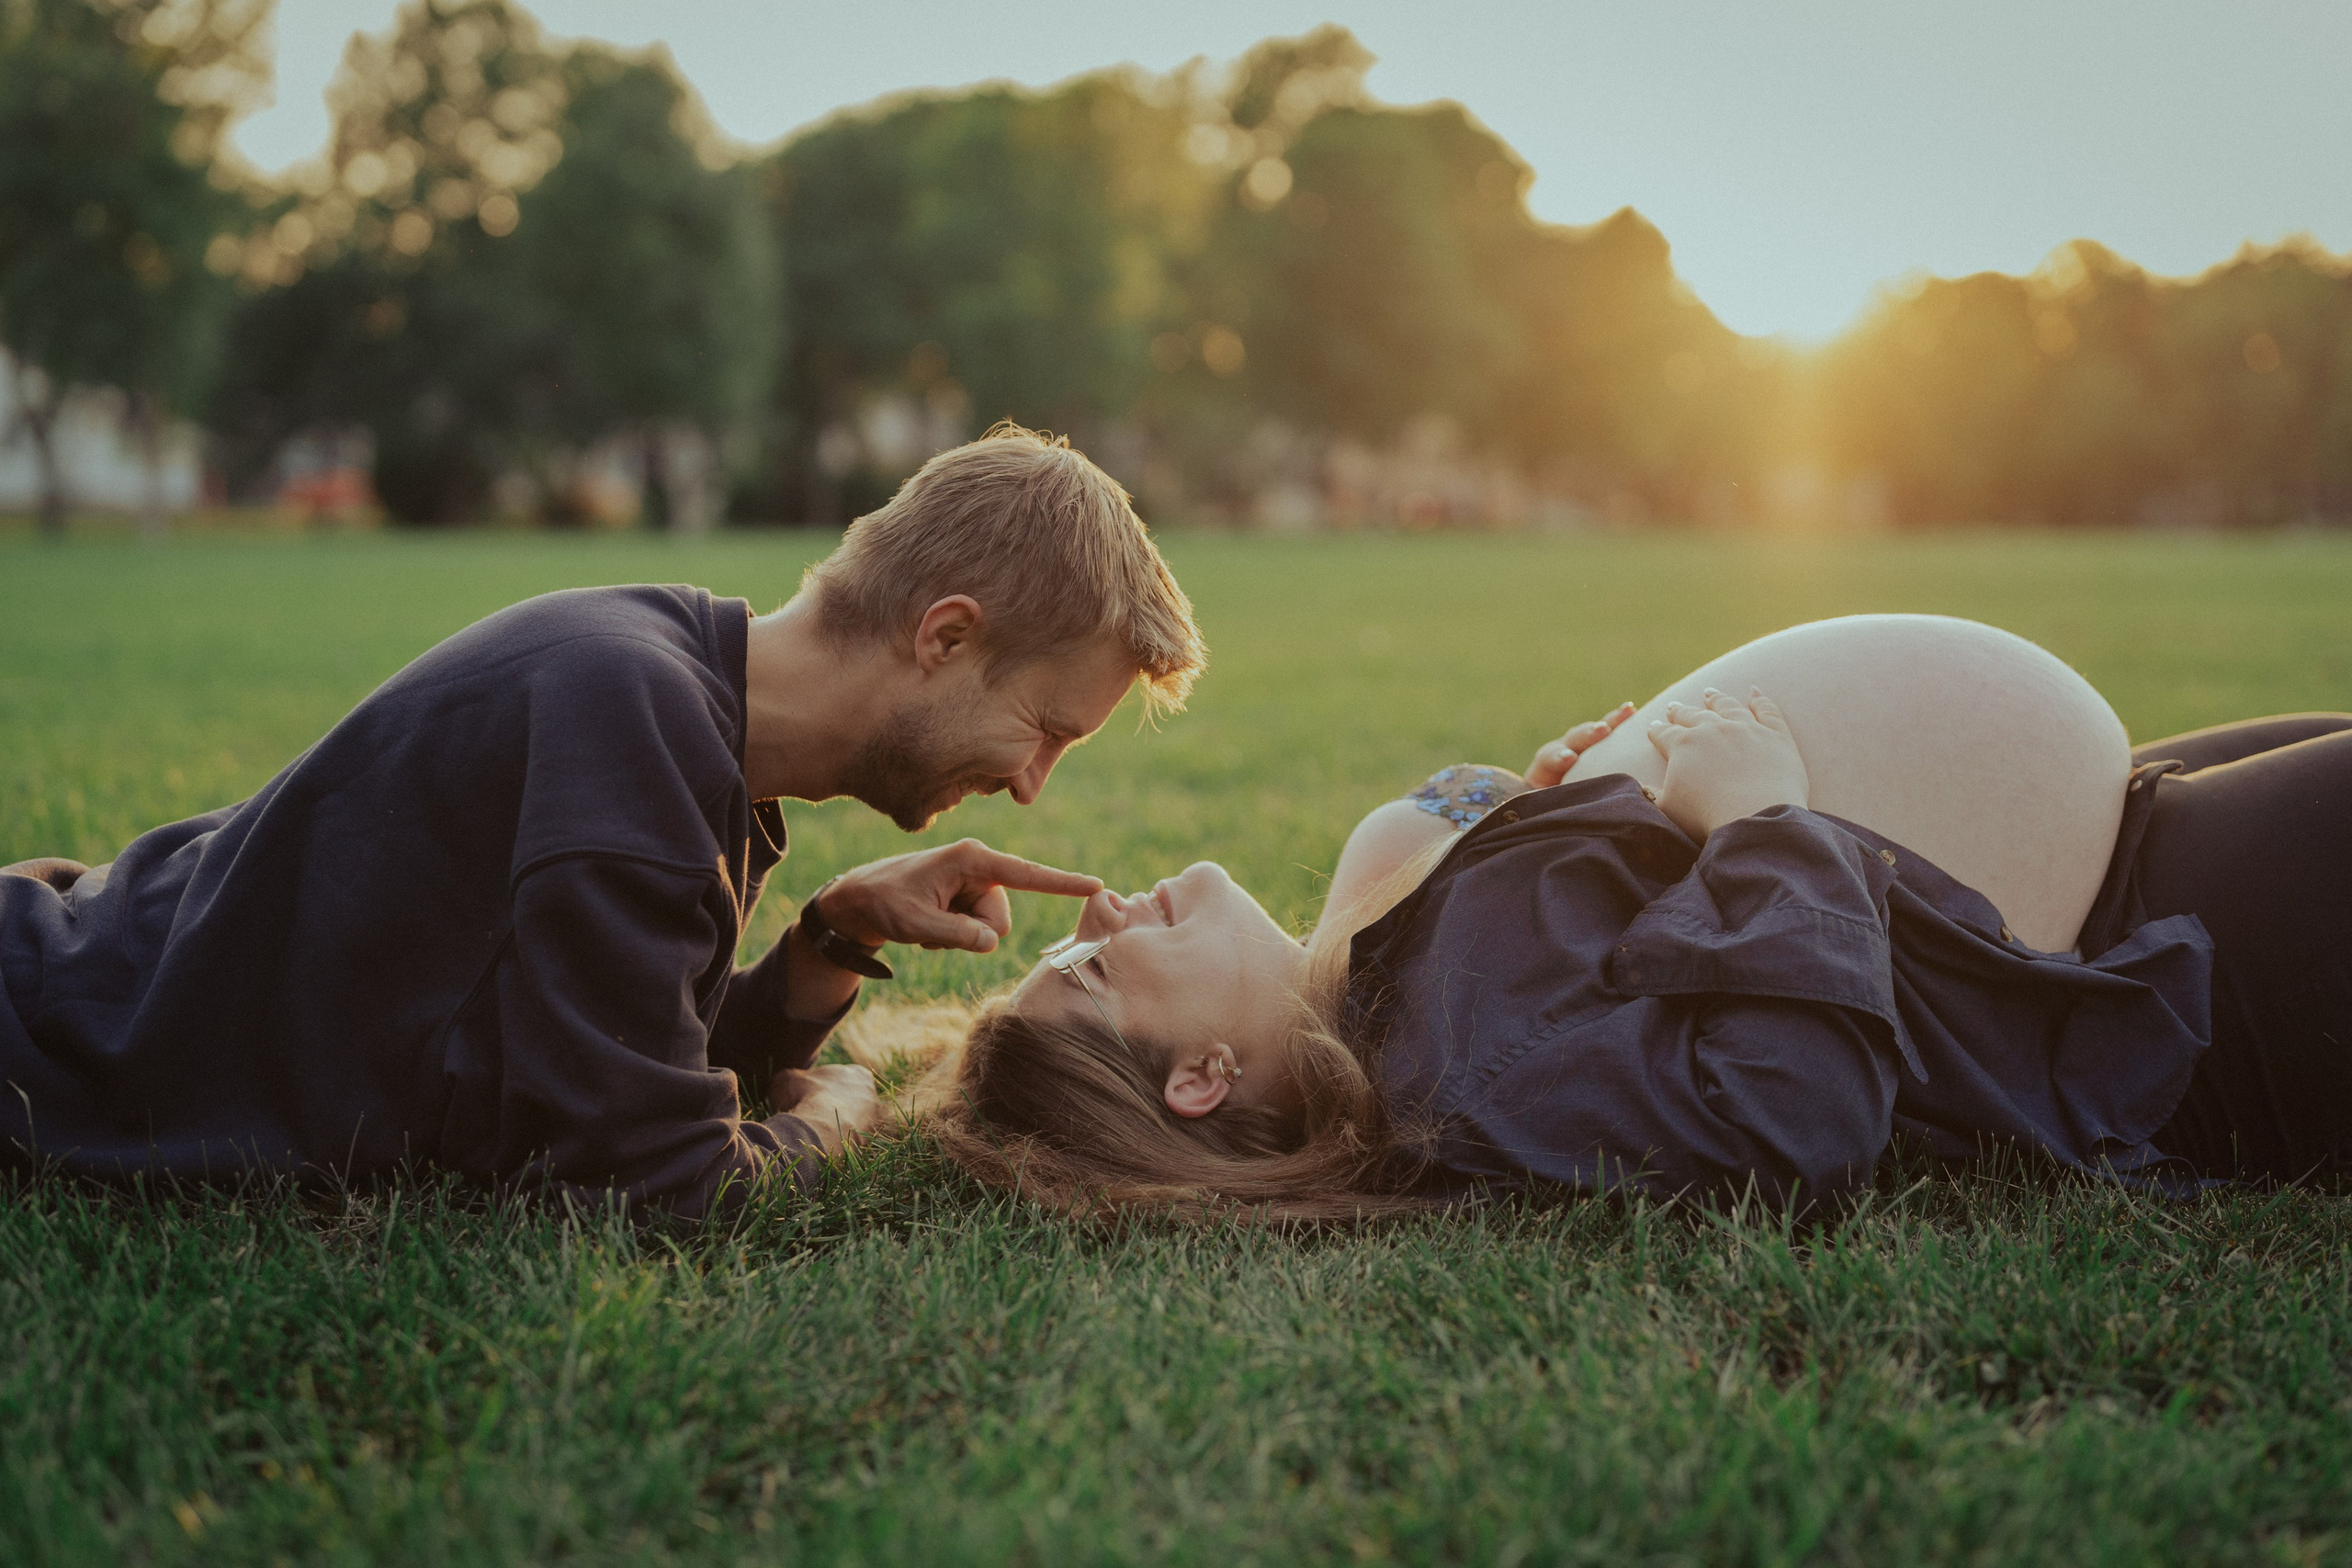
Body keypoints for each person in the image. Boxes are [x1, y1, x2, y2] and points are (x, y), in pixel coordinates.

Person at [0, 424, 1204, 1217]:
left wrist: (827, 941)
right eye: (1047, 728)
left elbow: (597, 1051)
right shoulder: (626, 726)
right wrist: (830, 1123)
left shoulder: (665, 696)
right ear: (944, 636)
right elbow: (666, 1189)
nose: (1032, 782)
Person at [925, 614, 2351, 1220]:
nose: (1104, 909)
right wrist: (1756, 819)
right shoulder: (1462, 1078)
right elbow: (1794, 1112)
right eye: (1094, 969)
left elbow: (1580, 943)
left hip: (2128, 823)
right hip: (2147, 969)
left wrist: (1570, 808)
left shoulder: (1375, 989)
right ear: (1198, 1078)